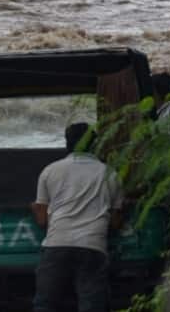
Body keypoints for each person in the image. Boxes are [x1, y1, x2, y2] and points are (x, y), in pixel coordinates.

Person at [31, 122, 123, 312]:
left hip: (57, 245)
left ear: (67, 143)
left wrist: (35, 208)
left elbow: (42, 221)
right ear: (95, 144)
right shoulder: (110, 174)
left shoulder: (50, 171)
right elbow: (115, 223)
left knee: (44, 305)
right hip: (93, 247)